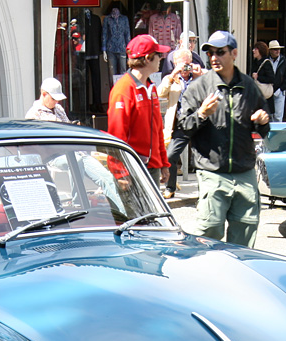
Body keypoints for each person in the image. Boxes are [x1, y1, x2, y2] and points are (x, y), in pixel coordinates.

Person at [177, 30, 271, 247]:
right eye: (210, 53)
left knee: (245, 238)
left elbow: (264, 130)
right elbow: (184, 127)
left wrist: (262, 122)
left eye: (220, 52)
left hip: (244, 172)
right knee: (207, 234)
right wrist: (202, 114)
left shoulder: (249, 86)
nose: (214, 58)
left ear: (234, 53)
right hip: (212, 172)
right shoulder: (199, 87)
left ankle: (238, 278)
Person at [107, 34, 170, 185]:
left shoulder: (150, 87)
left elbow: (157, 129)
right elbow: (116, 135)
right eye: (159, 55)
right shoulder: (123, 89)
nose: (161, 59)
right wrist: (119, 172)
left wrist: (163, 163)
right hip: (132, 168)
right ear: (148, 58)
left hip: (151, 167)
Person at [157, 49, 199, 198]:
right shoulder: (171, 78)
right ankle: (170, 187)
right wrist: (173, 75)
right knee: (170, 156)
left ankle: (205, 191)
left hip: (198, 123)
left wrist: (200, 75)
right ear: (175, 64)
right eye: (181, 65)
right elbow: (160, 93)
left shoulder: (199, 76)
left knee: (202, 158)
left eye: (187, 64)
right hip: (179, 124)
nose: (185, 69)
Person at [266, 40, 286, 123]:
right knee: (268, 115)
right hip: (268, 91)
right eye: (275, 49)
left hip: (279, 91)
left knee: (278, 116)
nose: (277, 51)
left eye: (278, 49)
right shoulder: (266, 61)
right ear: (270, 51)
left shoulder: (284, 61)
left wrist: (281, 89)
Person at [251, 41, 275, 111]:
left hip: (266, 99)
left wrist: (258, 77)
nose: (253, 51)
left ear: (260, 50)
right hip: (257, 96)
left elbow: (271, 78)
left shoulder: (266, 63)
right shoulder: (254, 62)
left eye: (255, 49)